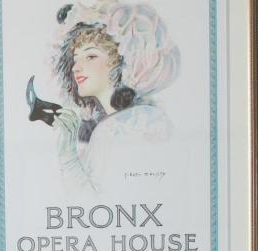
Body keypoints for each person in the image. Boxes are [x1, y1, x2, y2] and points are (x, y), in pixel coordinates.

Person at [47, 2, 180, 193]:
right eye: (75, 58)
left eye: (90, 56)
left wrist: (69, 159)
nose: (76, 67)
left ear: (121, 62)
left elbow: (96, 203)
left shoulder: (136, 127)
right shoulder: (109, 128)